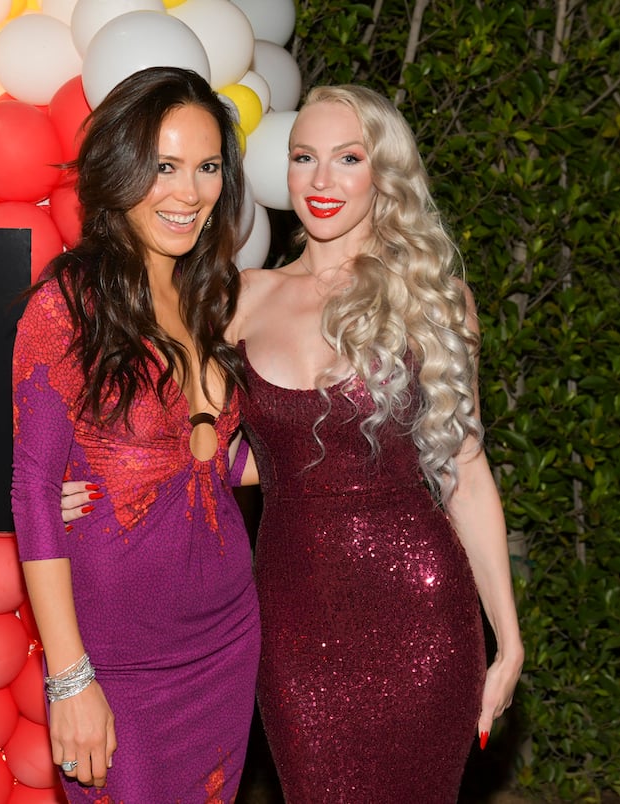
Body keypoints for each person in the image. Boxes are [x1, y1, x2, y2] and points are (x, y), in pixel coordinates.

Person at [63, 84, 523, 802]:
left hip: (421, 608)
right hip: (292, 615)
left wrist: (507, 635)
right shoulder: (240, 299)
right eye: (303, 157)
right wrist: (99, 478)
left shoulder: (434, 299)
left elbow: (464, 470)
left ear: (384, 174)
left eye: (347, 158)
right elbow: (184, 441)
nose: (320, 179)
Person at [11, 66, 260, 802]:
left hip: (224, 637)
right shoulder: (67, 306)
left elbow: (214, 462)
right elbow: (31, 488)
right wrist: (69, 678)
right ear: (119, 171)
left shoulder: (208, 295)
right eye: (163, 167)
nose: (187, 193)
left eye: (207, 167)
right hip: (117, 659)